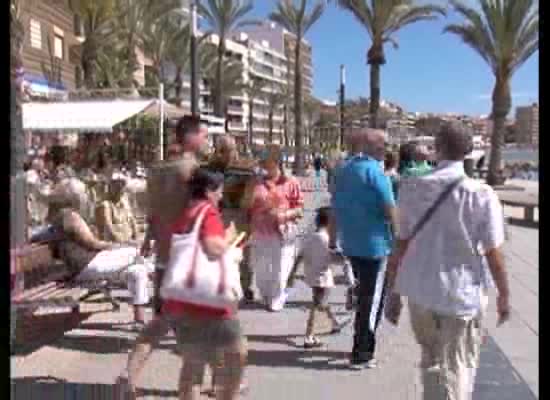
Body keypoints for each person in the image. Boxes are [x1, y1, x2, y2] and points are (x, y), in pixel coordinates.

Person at [385, 121, 511, 400]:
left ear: (437, 150)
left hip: (420, 292)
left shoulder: (411, 188)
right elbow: (493, 252)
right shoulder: (481, 193)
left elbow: (400, 244)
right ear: (468, 151)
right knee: (458, 365)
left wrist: (393, 293)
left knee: (431, 360)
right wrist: (504, 294)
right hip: (460, 294)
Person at [118, 116, 206, 399]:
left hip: (165, 256)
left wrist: (148, 240)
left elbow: (154, 214)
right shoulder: (192, 171)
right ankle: (193, 391)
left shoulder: (156, 171)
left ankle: (128, 376)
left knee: (163, 323)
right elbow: (199, 217)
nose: (206, 140)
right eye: (203, 134)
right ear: (190, 137)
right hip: (188, 259)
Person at [162, 168, 246, 400]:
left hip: (182, 300)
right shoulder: (208, 213)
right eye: (219, 191)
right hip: (210, 302)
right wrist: (230, 242)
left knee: (192, 365)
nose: (221, 196)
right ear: (209, 191)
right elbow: (211, 247)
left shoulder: (187, 212)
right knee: (235, 357)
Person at [332, 128, 398, 370]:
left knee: (364, 295)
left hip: (350, 243)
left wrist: (332, 240)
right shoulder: (376, 173)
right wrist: (400, 241)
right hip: (375, 247)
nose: (389, 148)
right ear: (378, 148)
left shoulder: (343, 170)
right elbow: (391, 210)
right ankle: (362, 352)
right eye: (386, 144)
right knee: (372, 300)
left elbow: (334, 207)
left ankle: (361, 340)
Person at [46, 178, 153, 326]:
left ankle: (140, 319)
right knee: (136, 253)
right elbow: (92, 244)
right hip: (86, 266)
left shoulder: (60, 215)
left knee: (138, 270)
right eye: (84, 192)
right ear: (73, 196)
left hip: (83, 266)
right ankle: (166, 287)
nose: (87, 195)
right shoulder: (70, 216)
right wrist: (115, 246)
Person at [245, 145, 303, 312]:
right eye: (262, 162)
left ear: (277, 162)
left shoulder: (291, 182)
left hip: (282, 232)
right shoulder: (255, 182)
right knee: (260, 269)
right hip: (259, 230)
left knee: (281, 268)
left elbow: (299, 208)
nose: (263, 165)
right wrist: (251, 191)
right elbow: (246, 205)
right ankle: (267, 294)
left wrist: (285, 215)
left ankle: (277, 298)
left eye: (266, 162)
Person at [300, 207, 347, 348]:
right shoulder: (326, 239)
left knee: (322, 302)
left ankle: (335, 323)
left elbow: (301, 254)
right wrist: (346, 257)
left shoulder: (310, 236)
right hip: (323, 277)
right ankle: (309, 336)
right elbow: (333, 258)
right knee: (317, 305)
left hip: (312, 273)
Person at [95, 173, 139, 244]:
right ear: (110, 186)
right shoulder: (105, 205)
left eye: (122, 185)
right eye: (116, 185)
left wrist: (136, 239)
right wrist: (123, 242)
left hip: (129, 243)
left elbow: (133, 222)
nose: (119, 188)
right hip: (114, 245)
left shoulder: (125, 202)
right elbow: (109, 227)